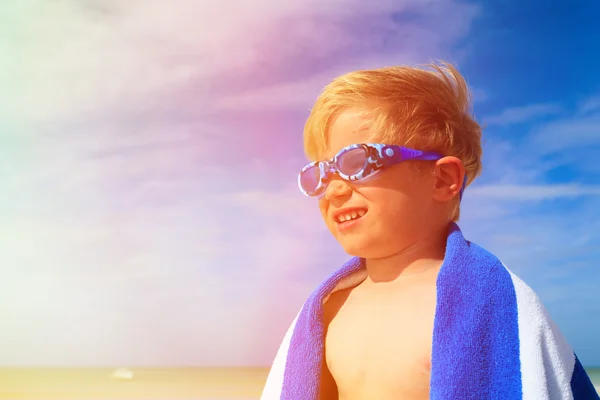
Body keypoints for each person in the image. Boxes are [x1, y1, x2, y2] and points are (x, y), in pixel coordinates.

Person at [260, 62, 599, 400]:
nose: (333, 190)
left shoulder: (490, 310)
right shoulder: (330, 311)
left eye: (356, 163)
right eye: (320, 174)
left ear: (442, 180)